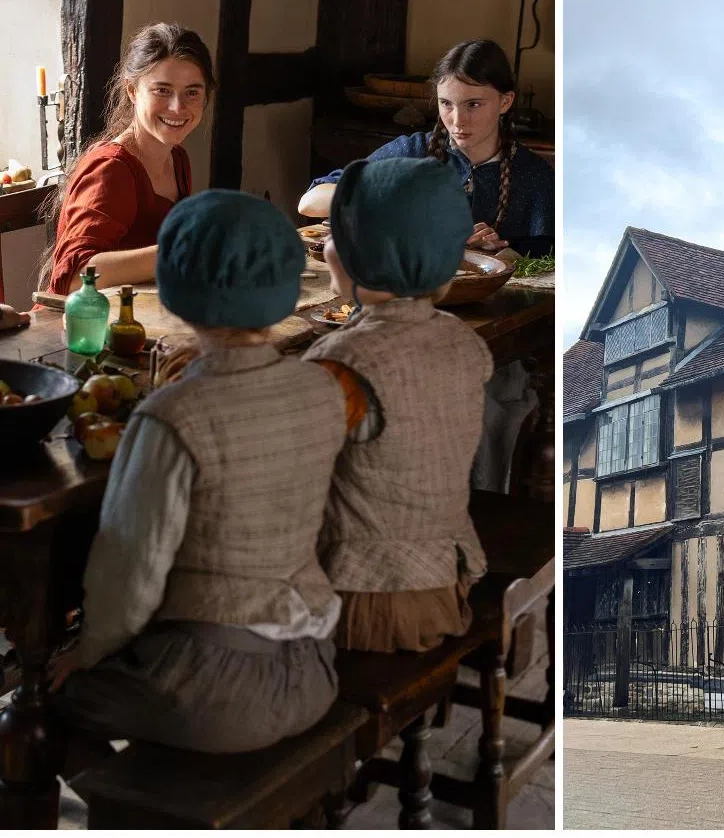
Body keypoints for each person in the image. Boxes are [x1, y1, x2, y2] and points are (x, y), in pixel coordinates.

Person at [52, 190, 344, 754]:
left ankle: (129, 806)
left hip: (212, 691)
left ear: (178, 295)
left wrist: (85, 651)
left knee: (44, 700)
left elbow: (128, 573)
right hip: (313, 667)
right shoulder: (320, 386)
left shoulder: (174, 415)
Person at [303, 157, 493, 653]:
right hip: (446, 584)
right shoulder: (465, 343)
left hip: (365, 602)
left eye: (332, 235)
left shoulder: (344, 361)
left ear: (346, 256)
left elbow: (286, 472)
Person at [299, 39, 554, 257]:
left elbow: (550, 261)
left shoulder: (534, 175)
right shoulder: (413, 151)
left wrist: (498, 249)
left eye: (473, 104)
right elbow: (309, 203)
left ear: (505, 101)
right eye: (446, 104)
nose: (457, 120)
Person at [39, 22, 214, 296]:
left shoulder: (177, 158)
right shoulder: (112, 169)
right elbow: (73, 276)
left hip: (134, 320)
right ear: (132, 90)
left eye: (192, 92)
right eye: (162, 90)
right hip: (78, 330)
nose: (178, 108)